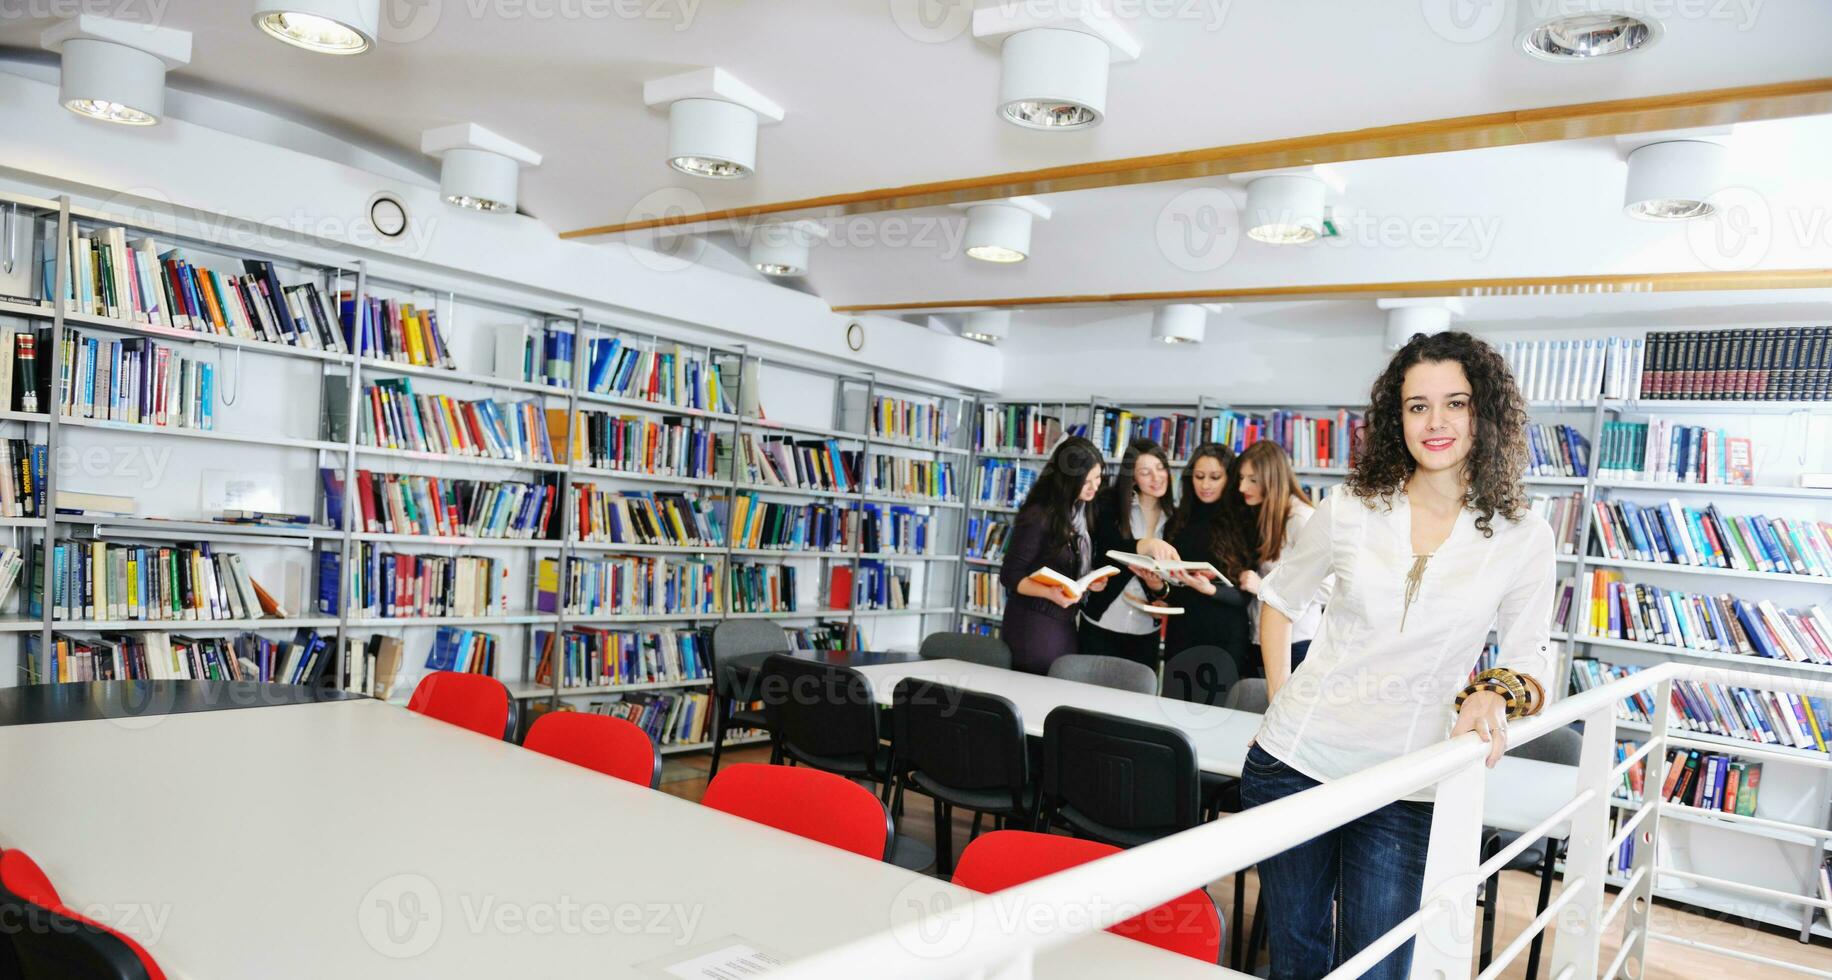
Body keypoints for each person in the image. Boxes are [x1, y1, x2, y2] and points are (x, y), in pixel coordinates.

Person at [1240, 331, 1556, 980]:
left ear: (1484, 413)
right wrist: (1280, 700)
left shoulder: (1523, 534)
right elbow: (1278, 602)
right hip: (1292, 763)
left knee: (1377, 969)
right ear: (1396, 419)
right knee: (1295, 961)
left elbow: (1531, 661)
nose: (1435, 422)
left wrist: (1492, 691)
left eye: (1456, 403)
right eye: (1417, 406)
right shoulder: (1350, 507)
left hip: (1405, 785)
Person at [998, 436, 1108, 675]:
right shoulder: (1039, 516)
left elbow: (1065, 564)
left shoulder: (1080, 512)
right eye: (1086, 481)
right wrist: (1049, 592)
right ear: (1067, 480)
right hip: (1034, 622)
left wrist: (1088, 581)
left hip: (1064, 620)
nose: (1094, 487)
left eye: (1098, 477)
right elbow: (1010, 574)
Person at [1157, 442, 1256, 681]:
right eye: (1199, 476)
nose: (1205, 485)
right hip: (1182, 632)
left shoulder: (1245, 522)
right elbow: (1175, 589)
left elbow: (1248, 594)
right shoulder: (1177, 522)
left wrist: (1211, 590)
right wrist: (1158, 588)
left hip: (1226, 635)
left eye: (1215, 477)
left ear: (1230, 478)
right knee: (1172, 710)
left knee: (1219, 713)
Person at [1229, 440, 1330, 673]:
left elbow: (1328, 588)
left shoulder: (1302, 519)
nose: (1242, 487)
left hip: (1296, 643)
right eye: (1242, 478)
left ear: (1273, 479)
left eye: (1252, 480)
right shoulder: (1266, 513)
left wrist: (1265, 585)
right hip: (1262, 637)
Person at [1079, 438, 1175, 670]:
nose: (1156, 478)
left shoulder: (1175, 518)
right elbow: (1109, 550)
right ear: (1132, 477)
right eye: (1145, 472)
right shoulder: (1109, 504)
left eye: (1160, 468)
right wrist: (1146, 545)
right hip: (1102, 620)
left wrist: (1158, 589)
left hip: (1146, 629)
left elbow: (1172, 581)